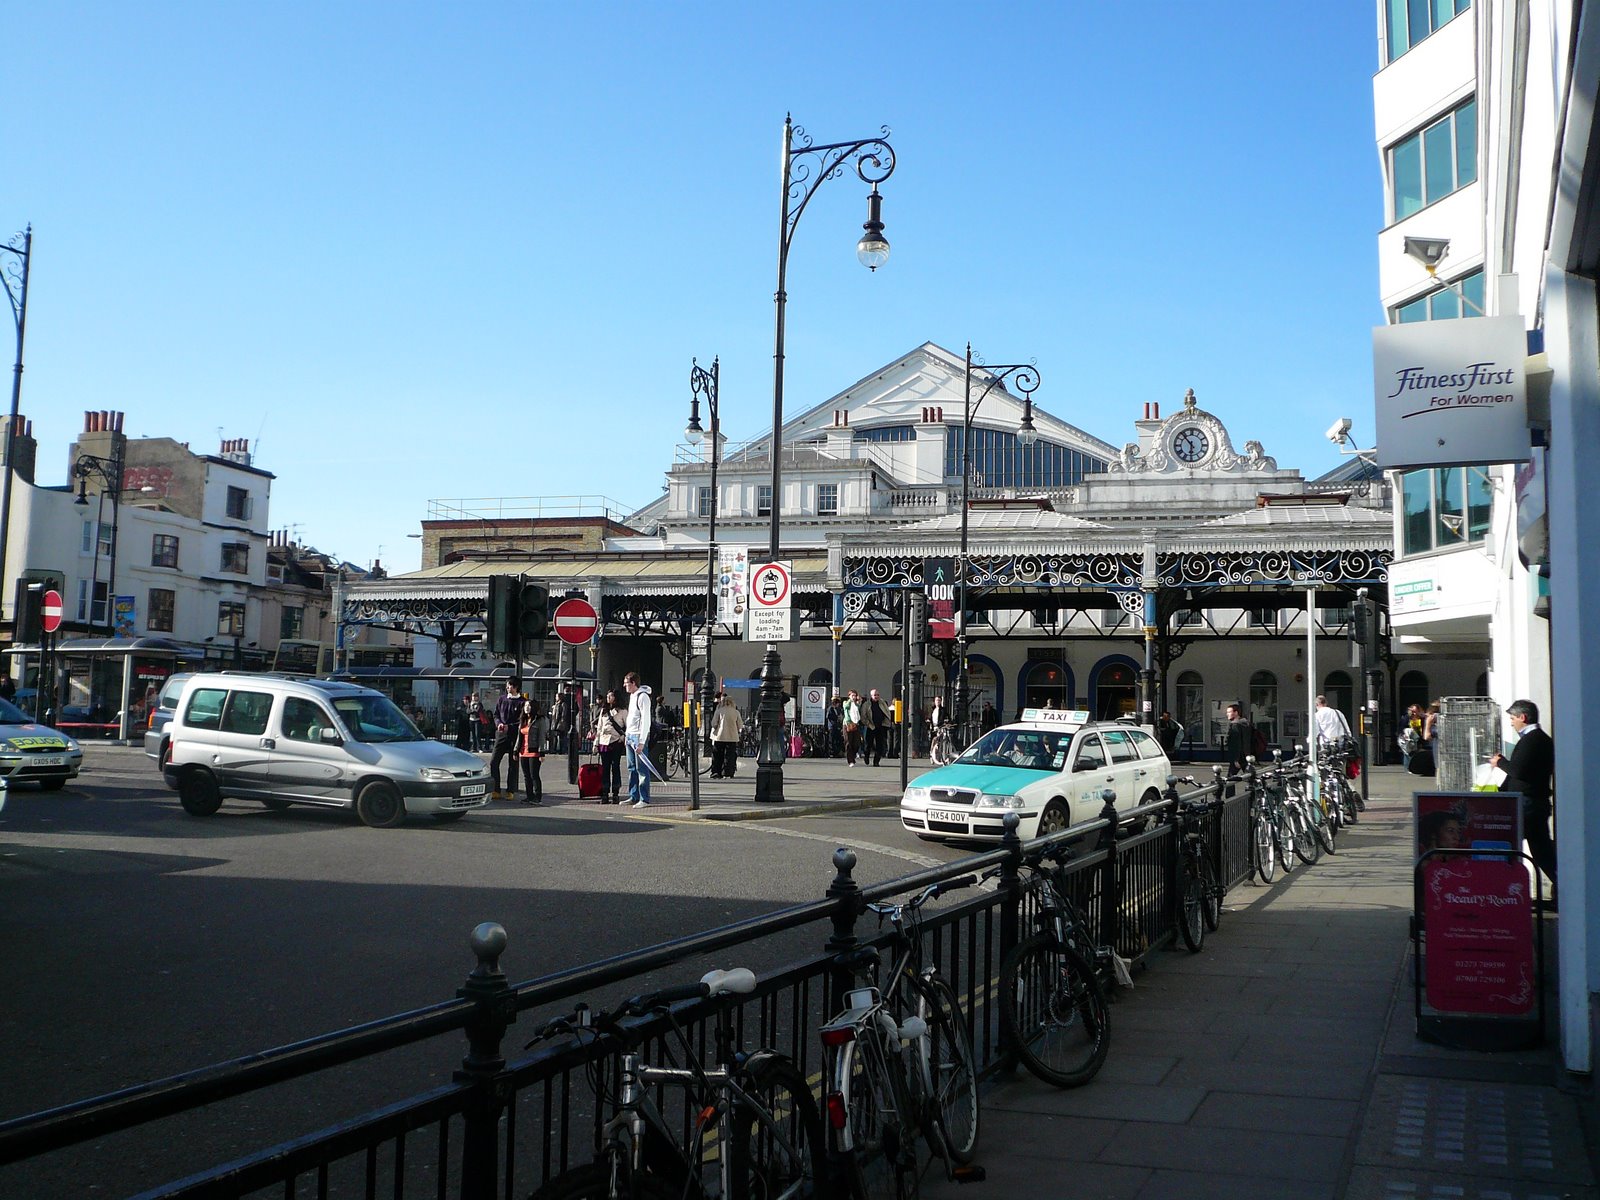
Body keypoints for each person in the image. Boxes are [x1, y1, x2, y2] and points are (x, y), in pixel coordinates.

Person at [1490, 699, 1557, 890]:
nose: (1511, 723)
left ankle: (1506, 888)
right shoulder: (1535, 739)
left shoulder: (1533, 740)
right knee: (1541, 849)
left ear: (1523, 717)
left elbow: (1518, 770)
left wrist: (1500, 762)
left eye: (1513, 718)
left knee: (1511, 843)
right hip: (1532, 802)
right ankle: (1561, 883)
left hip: (1529, 803)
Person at [489, 678, 525, 801]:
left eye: (511, 686)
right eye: (507, 685)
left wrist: (509, 727)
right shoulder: (502, 699)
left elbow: (522, 721)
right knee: (494, 762)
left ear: (516, 687)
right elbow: (496, 714)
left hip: (514, 736)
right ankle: (496, 789)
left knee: (513, 764)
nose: (508, 688)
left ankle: (510, 790)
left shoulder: (522, 702)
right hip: (501, 734)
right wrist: (498, 723)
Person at [623, 671, 655, 808]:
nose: (624, 686)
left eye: (626, 683)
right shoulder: (632, 696)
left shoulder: (643, 697)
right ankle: (633, 795)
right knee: (631, 768)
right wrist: (627, 735)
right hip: (630, 735)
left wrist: (642, 741)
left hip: (637, 736)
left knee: (642, 768)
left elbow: (645, 720)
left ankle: (644, 798)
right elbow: (631, 718)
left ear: (633, 683)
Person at [591, 689, 628, 803]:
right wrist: (596, 742)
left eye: (611, 696)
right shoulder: (604, 710)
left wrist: (622, 738)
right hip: (604, 741)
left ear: (616, 697)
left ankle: (615, 792)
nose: (608, 698)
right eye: (607, 696)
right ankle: (605, 792)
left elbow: (627, 726)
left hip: (616, 741)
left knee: (615, 767)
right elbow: (600, 727)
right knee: (605, 768)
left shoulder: (623, 711)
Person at [517, 698, 544, 805]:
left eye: (529, 706)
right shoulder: (523, 720)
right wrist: (516, 750)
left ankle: (537, 797)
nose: (527, 708)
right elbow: (519, 737)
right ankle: (529, 796)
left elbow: (541, 737)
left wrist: (541, 752)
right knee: (526, 776)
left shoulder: (539, 720)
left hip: (534, 751)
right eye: (525, 706)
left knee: (534, 775)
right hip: (523, 751)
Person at [709, 692, 741, 778]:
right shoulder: (736, 712)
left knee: (717, 755)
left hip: (719, 737)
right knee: (729, 755)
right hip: (732, 737)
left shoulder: (719, 711)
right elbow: (740, 725)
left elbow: (714, 723)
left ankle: (716, 772)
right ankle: (727, 772)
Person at [1224, 701, 1252, 785]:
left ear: (1236, 713)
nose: (1227, 714)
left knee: (1230, 779)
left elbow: (1236, 743)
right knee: (1250, 777)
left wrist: (1236, 759)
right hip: (1246, 756)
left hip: (1238, 757)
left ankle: (1230, 796)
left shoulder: (1235, 725)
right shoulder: (1245, 724)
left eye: (1229, 712)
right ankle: (1255, 791)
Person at [865, 688, 891, 765]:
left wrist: (887, 722)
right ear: (871, 696)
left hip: (881, 726)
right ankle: (866, 755)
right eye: (874, 695)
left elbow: (887, 712)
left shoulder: (882, 703)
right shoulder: (866, 704)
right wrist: (869, 724)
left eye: (877, 695)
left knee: (880, 745)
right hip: (871, 726)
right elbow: (863, 716)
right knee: (868, 744)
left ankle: (876, 761)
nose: (876, 696)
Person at [842, 689, 864, 766]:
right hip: (847, 724)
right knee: (848, 742)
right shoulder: (846, 702)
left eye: (855, 695)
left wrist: (859, 701)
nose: (854, 697)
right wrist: (850, 700)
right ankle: (850, 760)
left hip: (855, 724)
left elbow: (858, 708)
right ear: (849, 696)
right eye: (852, 695)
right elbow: (846, 707)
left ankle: (853, 755)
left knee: (856, 743)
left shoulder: (856, 704)